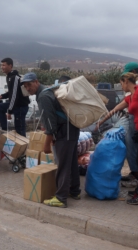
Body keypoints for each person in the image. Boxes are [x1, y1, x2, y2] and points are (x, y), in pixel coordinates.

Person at [96, 72, 138, 205]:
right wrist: (100, 122)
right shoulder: (130, 97)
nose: (121, 86)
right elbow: (115, 109)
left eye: (121, 83)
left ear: (126, 81)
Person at [22, 72, 80, 208]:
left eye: (29, 84)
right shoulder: (47, 91)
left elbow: (50, 124)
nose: (28, 88)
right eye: (25, 86)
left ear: (36, 82)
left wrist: (46, 144)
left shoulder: (43, 96)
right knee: (71, 162)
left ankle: (61, 198)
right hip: (71, 128)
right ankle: (75, 191)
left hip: (64, 131)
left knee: (63, 165)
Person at [120, 62, 138, 188]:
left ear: (133, 72)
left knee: (132, 146)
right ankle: (135, 172)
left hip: (134, 118)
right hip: (133, 117)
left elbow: (128, 102)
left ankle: (136, 174)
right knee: (132, 146)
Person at [0, 58, 30, 136]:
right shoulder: (9, 77)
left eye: (4, 65)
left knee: (20, 130)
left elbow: (14, 95)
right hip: (16, 105)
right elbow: (11, 92)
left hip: (20, 106)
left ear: (10, 66)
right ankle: (4, 129)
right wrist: (2, 96)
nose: (2, 67)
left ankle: (23, 147)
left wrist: (9, 112)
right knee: (0, 107)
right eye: (1, 65)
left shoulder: (15, 78)